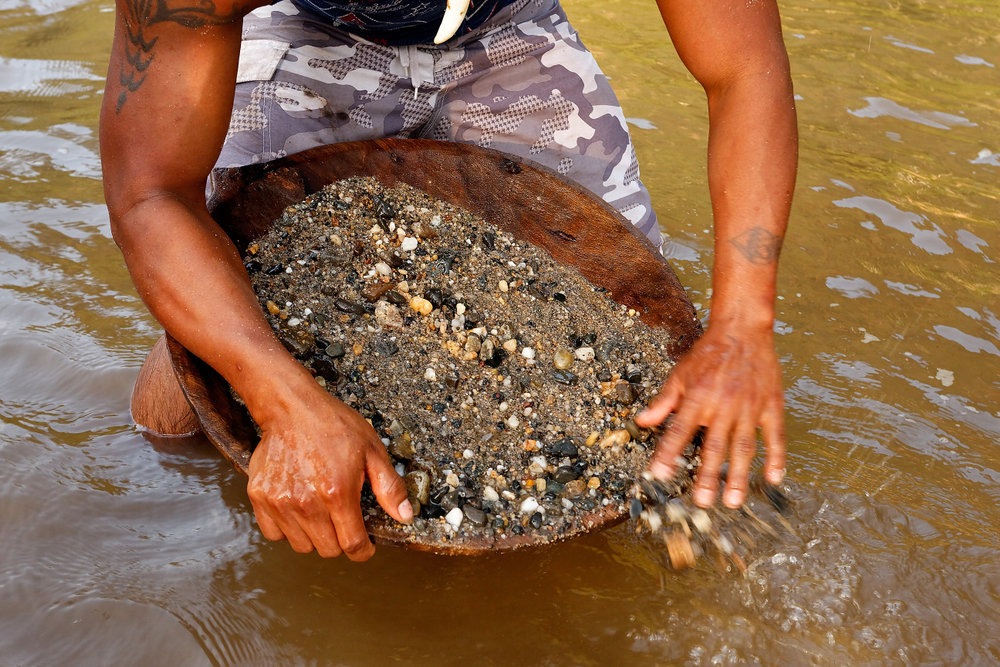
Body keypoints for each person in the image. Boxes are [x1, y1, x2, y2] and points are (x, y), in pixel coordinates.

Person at [100, 0, 796, 561]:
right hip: (308, 28)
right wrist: (280, 400)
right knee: (203, 373)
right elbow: (151, 193)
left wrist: (743, 323)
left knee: (646, 370)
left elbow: (745, 68)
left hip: (504, 24)